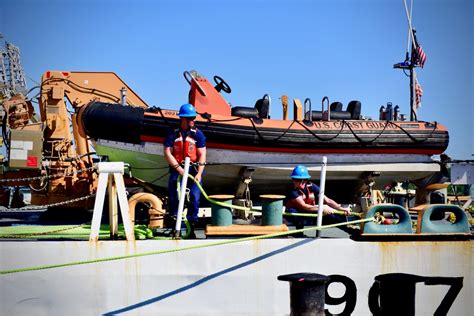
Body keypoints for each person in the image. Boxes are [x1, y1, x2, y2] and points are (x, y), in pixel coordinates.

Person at [164, 103, 206, 238]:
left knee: (194, 196)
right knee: (174, 196)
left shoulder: (198, 135)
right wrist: (180, 169)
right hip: (178, 170)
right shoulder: (173, 133)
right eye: (190, 118)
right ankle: (176, 225)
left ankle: (191, 226)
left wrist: (199, 173)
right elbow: (167, 152)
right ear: (182, 119)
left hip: (193, 170)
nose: (193, 120)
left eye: (193, 118)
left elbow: (202, 155)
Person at [285, 165, 356, 236]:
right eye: (294, 179)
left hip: (309, 210)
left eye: (297, 180)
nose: (295, 182)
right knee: (296, 215)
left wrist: (341, 209)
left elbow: (327, 200)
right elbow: (304, 206)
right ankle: (299, 234)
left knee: (331, 217)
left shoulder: (311, 186)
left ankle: (352, 231)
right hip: (294, 213)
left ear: (304, 180)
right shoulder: (292, 191)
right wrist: (321, 209)